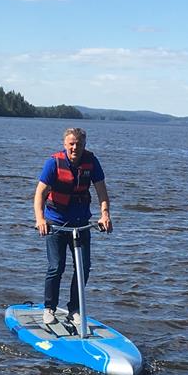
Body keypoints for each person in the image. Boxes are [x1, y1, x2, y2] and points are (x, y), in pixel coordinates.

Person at [33, 127, 112, 326]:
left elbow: (102, 192)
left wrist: (105, 215)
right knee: (56, 266)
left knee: (83, 267)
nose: (75, 147)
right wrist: (40, 219)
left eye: (79, 144)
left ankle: (74, 309)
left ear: (84, 145)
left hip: (81, 224)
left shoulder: (91, 162)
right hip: (57, 224)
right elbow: (40, 194)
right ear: (65, 144)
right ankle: (49, 308)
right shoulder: (53, 163)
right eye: (71, 144)